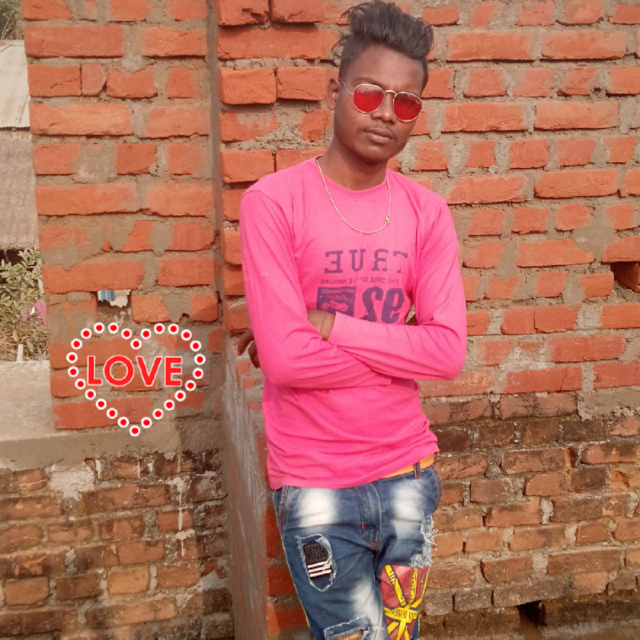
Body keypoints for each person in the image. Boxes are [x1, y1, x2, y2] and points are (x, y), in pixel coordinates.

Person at [237, 2, 467, 638]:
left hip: (408, 476)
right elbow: (285, 359)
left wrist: (330, 324)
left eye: (406, 102)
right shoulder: (273, 204)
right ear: (335, 91)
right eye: (369, 93)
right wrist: (402, 347)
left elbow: (448, 353)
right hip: (317, 486)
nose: (385, 113)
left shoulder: (427, 214)